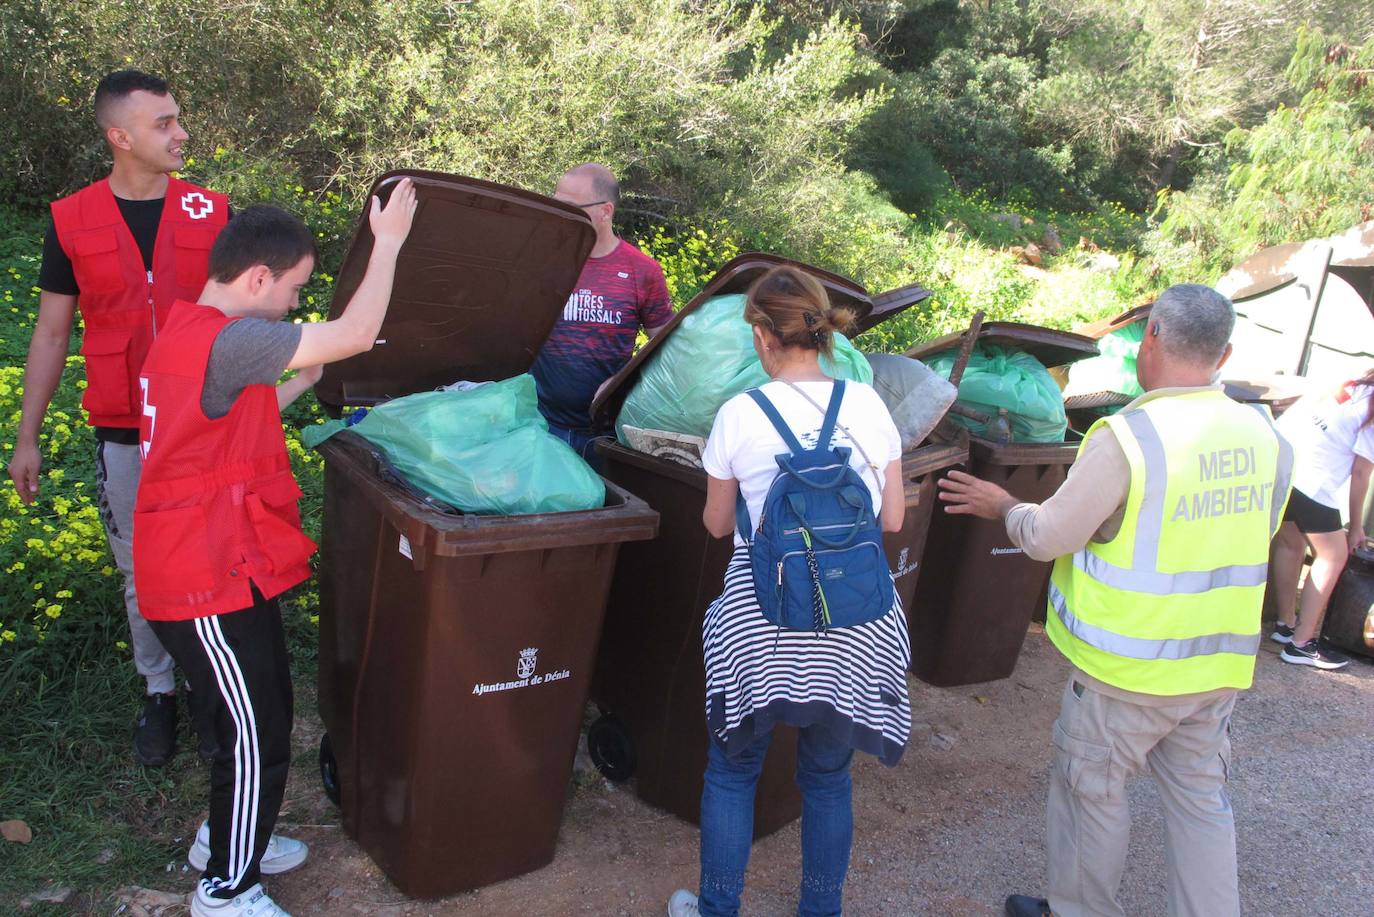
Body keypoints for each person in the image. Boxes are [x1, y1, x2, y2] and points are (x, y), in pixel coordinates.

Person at [938, 284, 1293, 917]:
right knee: (1201, 804)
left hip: (1124, 671)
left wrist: (1004, 505)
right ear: (1226, 353)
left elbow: (1049, 536)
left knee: (1091, 794)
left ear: (1149, 337)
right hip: (1215, 669)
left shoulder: (1131, 436)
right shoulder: (1266, 436)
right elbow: (1253, 533)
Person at [132, 181, 418, 917]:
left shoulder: (191, 331)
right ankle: (227, 887)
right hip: (201, 579)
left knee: (254, 716)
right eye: (292, 289)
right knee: (255, 729)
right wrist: (386, 243)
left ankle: (223, 839)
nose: (293, 304)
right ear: (257, 277)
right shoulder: (231, 339)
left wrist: (304, 377)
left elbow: (222, 422)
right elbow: (354, 333)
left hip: (223, 564)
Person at [667, 266, 912, 917]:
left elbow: (718, 524)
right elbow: (893, 520)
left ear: (761, 334)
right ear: (821, 329)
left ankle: (718, 907)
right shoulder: (866, 403)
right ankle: (820, 910)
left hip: (763, 618)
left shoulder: (738, 414)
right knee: (828, 777)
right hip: (857, 622)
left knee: (732, 769)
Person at [7, 70, 231, 767]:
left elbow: (244, 319)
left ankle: (209, 682)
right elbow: (50, 334)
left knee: (212, 555)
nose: (180, 133)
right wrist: (27, 437)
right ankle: (158, 689)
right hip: (124, 426)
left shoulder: (211, 212)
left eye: (178, 118)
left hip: (203, 422)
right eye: (164, 122)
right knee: (141, 570)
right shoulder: (70, 219)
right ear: (120, 136)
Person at [531, 163, 673, 461]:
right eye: (555, 202)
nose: (559, 213)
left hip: (603, 433)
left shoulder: (642, 271)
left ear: (605, 211)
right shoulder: (542, 260)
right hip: (539, 424)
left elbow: (666, 345)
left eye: (569, 206)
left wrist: (622, 379)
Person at [1267, 371, 1374, 670]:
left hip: (1281, 457)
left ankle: (1285, 623)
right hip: (1311, 477)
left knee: (1291, 541)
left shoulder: (1356, 380)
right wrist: (1356, 526)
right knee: (1333, 554)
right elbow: (1362, 473)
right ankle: (1300, 645)